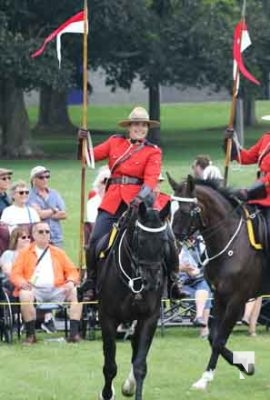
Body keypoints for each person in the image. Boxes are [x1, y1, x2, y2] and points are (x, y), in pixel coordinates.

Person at [78, 106, 182, 300]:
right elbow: (87, 158)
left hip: (139, 204)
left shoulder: (153, 152)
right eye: (136, 124)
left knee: (167, 238)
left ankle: (174, 281)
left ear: (147, 128)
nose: (140, 128)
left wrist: (140, 198)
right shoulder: (115, 142)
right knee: (94, 240)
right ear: (129, 126)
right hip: (112, 201)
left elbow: (151, 180)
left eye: (144, 125)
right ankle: (91, 281)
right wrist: (82, 141)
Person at [10, 221, 82, 344]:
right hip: (34, 290)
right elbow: (15, 274)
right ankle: (31, 335)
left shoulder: (58, 252)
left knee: (76, 291)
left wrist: (70, 281)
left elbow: (72, 271)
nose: (44, 234)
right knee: (24, 294)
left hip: (57, 289)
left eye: (47, 231)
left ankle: (74, 334)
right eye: (41, 231)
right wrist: (22, 283)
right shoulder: (24, 253)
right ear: (34, 235)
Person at [179, 233, 212, 338]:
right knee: (206, 296)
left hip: (198, 279)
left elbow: (207, 262)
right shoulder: (175, 245)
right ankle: (204, 328)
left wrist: (197, 270)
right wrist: (183, 268)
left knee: (204, 288)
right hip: (180, 283)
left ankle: (199, 317)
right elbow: (167, 265)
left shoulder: (201, 243)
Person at [27, 166, 67, 247]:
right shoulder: (28, 195)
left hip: (56, 237)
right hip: (38, 238)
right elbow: (39, 215)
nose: (45, 179)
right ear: (33, 180)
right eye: (41, 177)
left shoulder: (54, 193)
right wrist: (54, 210)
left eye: (47, 176)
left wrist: (45, 213)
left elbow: (64, 214)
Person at [85, 165, 111, 247]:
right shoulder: (93, 202)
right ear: (98, 184)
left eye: (109, 182)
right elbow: (92, 223)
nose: (106, 185)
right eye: (104, 182)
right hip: (99, 236)